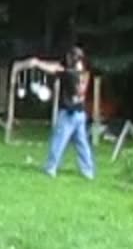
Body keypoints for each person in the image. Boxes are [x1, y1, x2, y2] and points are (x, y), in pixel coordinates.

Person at [29, 46, 95, 179]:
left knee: (59, 141)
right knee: (82, 144)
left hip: (68, 113)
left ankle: (51, 168)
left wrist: (38, 63)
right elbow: (59, 66)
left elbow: (55, 69)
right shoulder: (84, 72)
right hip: (80, 113)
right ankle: (88, 171)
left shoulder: (69, 73)